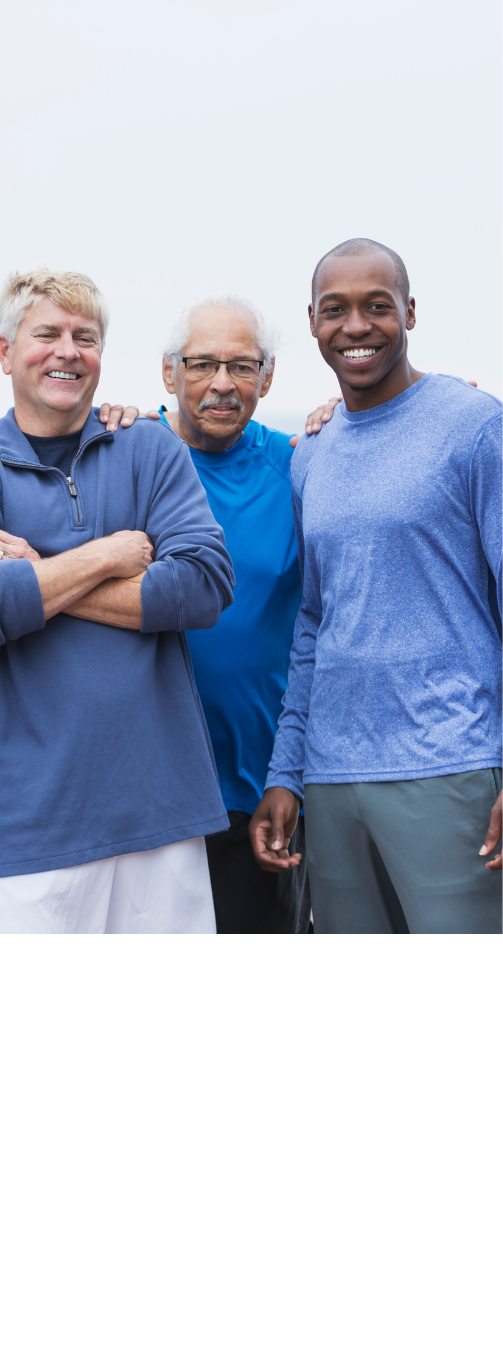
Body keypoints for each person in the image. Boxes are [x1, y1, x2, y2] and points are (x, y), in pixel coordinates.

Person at [0, 268, 234, 933]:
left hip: (162, 810)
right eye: (47, 334)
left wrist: (37, 573)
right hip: (27, 823)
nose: (67, 350)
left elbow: (204, 585)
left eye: (84, 337)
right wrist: (107, 556)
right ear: (6, 352)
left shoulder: (150, 447)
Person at [250, 238, 502, 933]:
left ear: (410, 313)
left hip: (451, 766)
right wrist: (286, 772)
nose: (355, 326)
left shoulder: (474, 426)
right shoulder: (313, 456)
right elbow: (313, 624)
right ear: (312, 322)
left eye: (376, 306)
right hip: (331, 783)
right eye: (336, 309)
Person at [156, 297, 309, 933]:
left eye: (242, 366)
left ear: (267, 378)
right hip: (151, 794)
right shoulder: (123, 455)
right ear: (170, 374)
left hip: (260, 794)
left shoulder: (300, 466)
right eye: (203, 364)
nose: (223, 383)